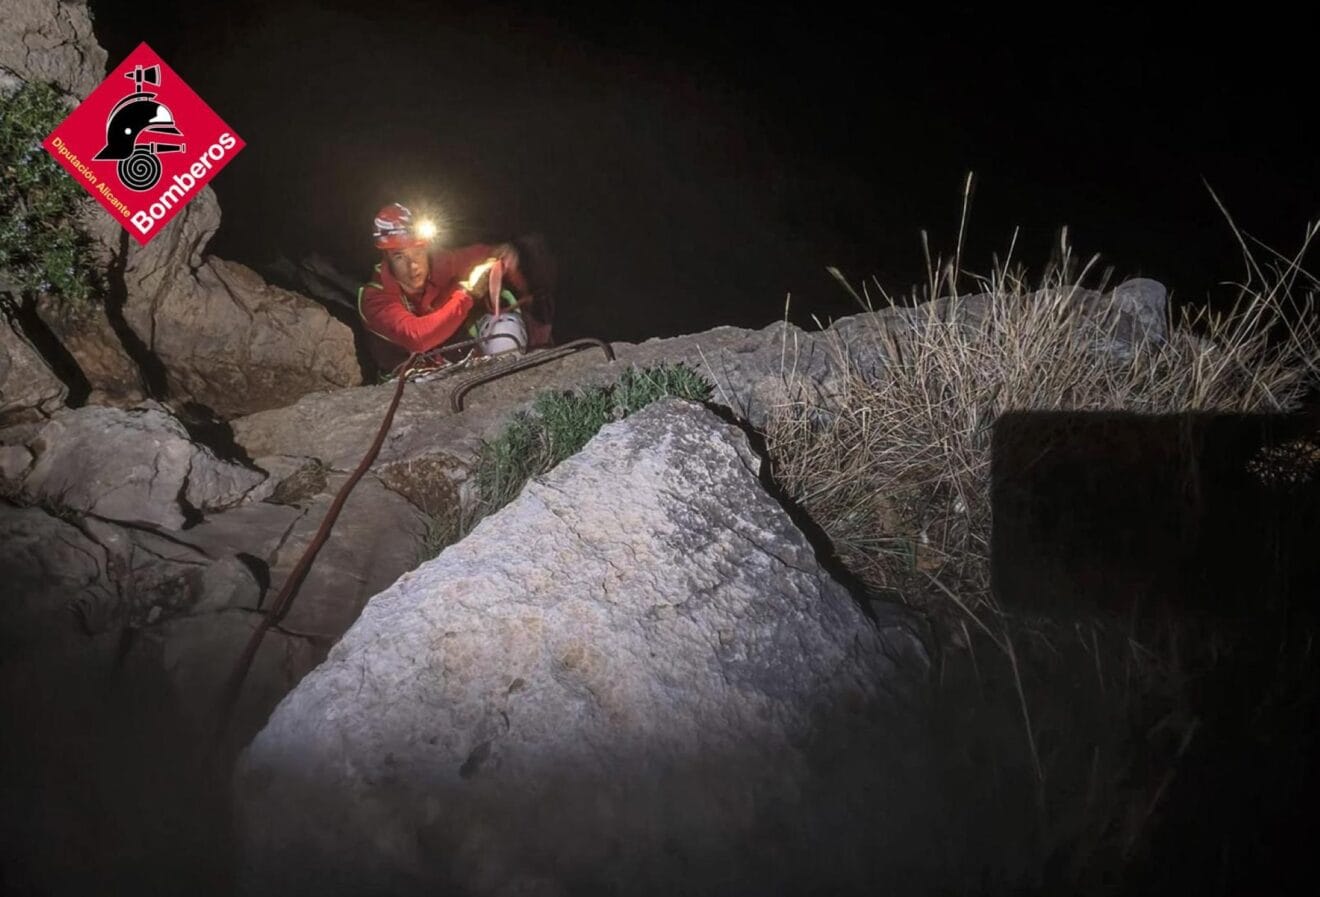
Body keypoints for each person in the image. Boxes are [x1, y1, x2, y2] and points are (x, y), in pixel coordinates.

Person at [356, 203, 554, 375]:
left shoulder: (439, 263)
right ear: (387, 257)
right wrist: (467, 295)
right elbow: (417, 337)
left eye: (418, 251)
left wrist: (503, 254)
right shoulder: (374, 298)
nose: (413, 265)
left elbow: (483, 253)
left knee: (505, 331)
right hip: (413, 379)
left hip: (458, 358)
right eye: (400, 256)